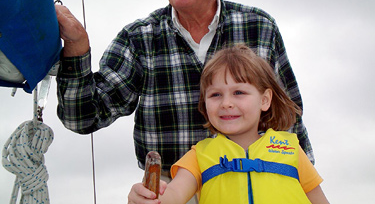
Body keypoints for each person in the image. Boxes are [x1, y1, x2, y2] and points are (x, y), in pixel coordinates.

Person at [55, 0, 314, 202]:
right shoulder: (138, 37)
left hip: (256, 177)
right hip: (171, 186)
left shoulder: (260, 27)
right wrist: (76, 46)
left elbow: (289, 118)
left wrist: (303, 181)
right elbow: (80, 117)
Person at [128, 44, 329, 204]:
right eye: (215, 95)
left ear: (265, 100)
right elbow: (174, 194)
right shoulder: (198, 156)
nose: (226, 103)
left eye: (238, 92)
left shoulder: (292, 148)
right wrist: (149, 197)